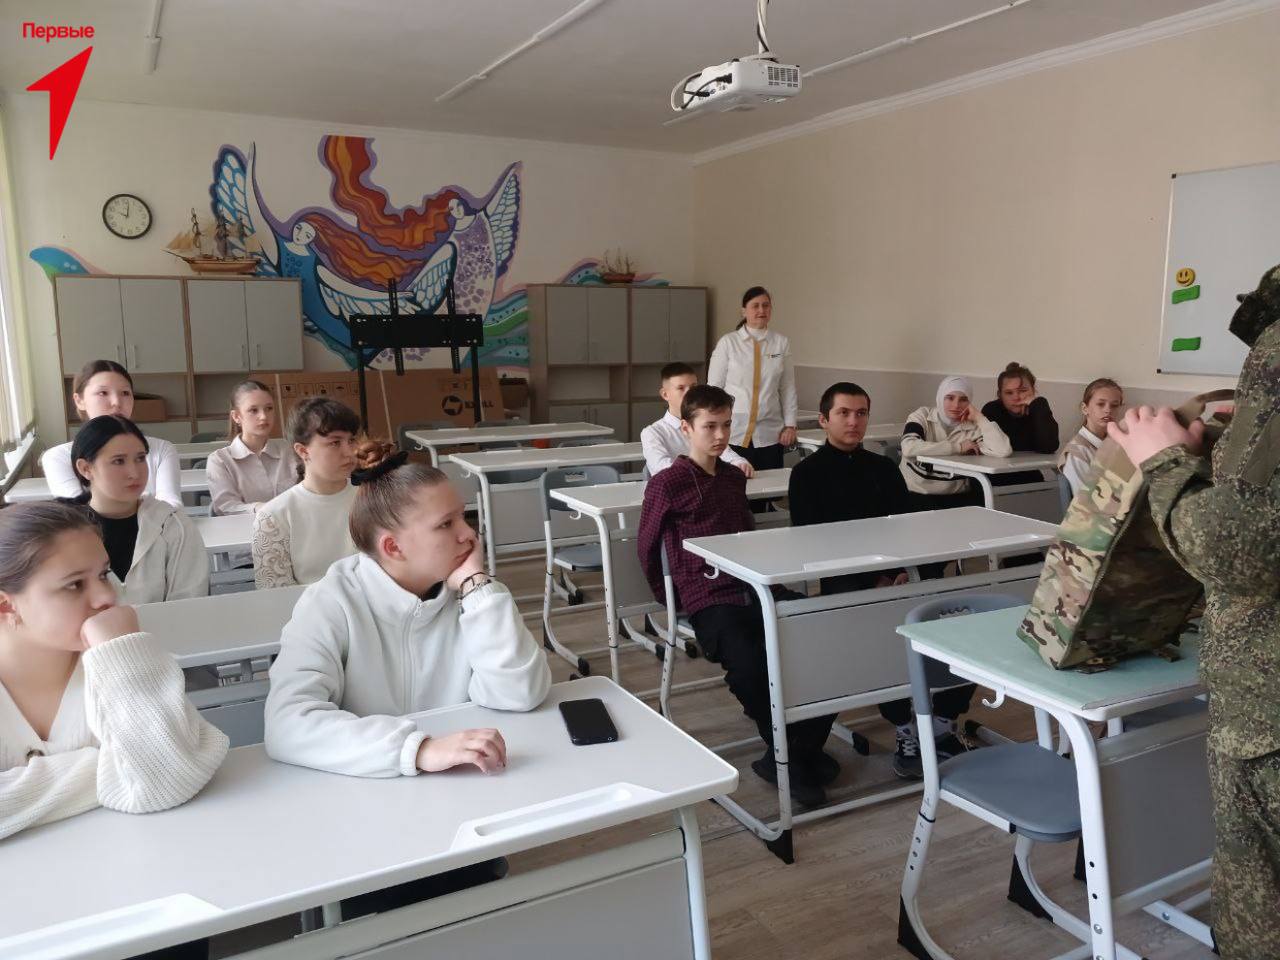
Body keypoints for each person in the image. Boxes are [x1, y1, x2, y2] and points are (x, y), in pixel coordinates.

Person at [263, 446, 551, 916]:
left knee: (478, 915)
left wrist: (478, 588)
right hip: (361, 821)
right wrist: (417, 749)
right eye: (446, 524)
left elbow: (520, 693)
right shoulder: (331, 603)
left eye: (464, 516)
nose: (469, 534)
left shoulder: (470, 592)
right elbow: (288, 723)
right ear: (393, 548)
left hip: (462, 811)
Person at [1107, 264, 1280, 960]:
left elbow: (1237, 547)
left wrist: (1164, 463)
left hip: (1269, 712)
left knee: (1261, 914)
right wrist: (1229, 463)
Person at [637, 385, 834, 808]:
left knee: (825, 635)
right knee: (749, 664)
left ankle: (797, 750)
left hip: (753, 584)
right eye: (710, 426)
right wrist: (672, 599)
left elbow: (746, 537)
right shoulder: (667, 484)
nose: (720, 435)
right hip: (707, 595)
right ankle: (789, 756)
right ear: (686, 428)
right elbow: (647, 548)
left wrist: (767, 582)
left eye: (726, 425)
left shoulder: (731, 478)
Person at [0, 501, 227, 842]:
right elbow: (157, 770)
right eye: (74, 585)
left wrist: (122, 655)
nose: (106, 597)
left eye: (104, 574)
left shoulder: (123, 657)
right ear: (6, 604)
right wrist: (115, 770)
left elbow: (171, 777)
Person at [788, 382, 974, 779]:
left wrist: (899, 572)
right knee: (881, 636)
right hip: (846, 580)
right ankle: (905, 726)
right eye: (843, 413)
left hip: (897, 572)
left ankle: (941, 723)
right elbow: (813, 543)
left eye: (861, 413)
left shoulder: (883, 468)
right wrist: (874, 579)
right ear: (823, 420)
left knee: (960, 618)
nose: (853, 421)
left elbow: (902, 527)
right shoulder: (806, 474)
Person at [66, 416, 208, 604]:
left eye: (140, 458)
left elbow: (191, 604)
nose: (134, 473)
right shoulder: (62, 534)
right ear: (86, 468)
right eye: (118, 461)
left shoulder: (173, 524)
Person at [252, 398, 360, 590]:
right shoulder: (273, 517)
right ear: (303, 451)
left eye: (351, 440)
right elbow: (275, 595)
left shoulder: (375, 500)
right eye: (335, 442)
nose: (349, 452)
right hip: (306, 608)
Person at [41, 360, 182, 507]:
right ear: (79, 400)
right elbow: (77, 512)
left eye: (125, 393)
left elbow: (172, 508)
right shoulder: (58, 457)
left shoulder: (162, 449)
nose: (116, 402)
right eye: (103, 393)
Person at [707, 286, 798, 472]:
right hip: (733, 432)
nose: (761, 310)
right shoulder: (728, 342)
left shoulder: (781, 342)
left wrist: (790, 425)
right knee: (733, 485)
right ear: (744, 311)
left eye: (766, 305)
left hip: (770, 433)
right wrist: (712, 426)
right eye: (755, 306)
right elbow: (714, 389)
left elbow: (787, 387)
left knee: (769, 486)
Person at [899, 375, 1012, 508]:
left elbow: (1003, 450)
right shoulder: (922, 416)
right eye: (950, 398)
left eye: (963, 400)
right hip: (914, 494)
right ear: (940, 397)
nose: (956, 405)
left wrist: (979, 417)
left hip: (956, 498)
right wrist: (958, 447)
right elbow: (909, 447)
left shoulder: (973, 427)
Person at [640, 362, 753, 477]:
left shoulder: (706, 422)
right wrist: (703, 472)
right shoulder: (652, 433)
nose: (689, 393)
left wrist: (740, 463)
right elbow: (662, 469)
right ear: (665, 394)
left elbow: (727, 454)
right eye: (681, 388)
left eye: (693, 387)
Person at [206, 380, 297, 516]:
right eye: (253, 410)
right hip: (244, 527)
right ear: (236, 416)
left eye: (269, 408)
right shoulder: (220, 460)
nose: (264, 416)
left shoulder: (289, 450)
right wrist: (261, 509)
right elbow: (226, 506)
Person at [980, 362, 1060, 486]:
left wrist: (1039, 404)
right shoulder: (992, 410)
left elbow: (1049, 446)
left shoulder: (1038, 408)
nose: (1016, 397)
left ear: (1033, 390)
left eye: (1023, 391)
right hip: (993, 480)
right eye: (1009, 393)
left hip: (1029, 477)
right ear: (1000, 395)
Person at [1058, 378, 1124, 496]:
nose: (1108, 410)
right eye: (1101, 404)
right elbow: (1084, 499)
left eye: (1114, 405)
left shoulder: (1117, 445)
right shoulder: (1077, 453)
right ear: (1085, 408)